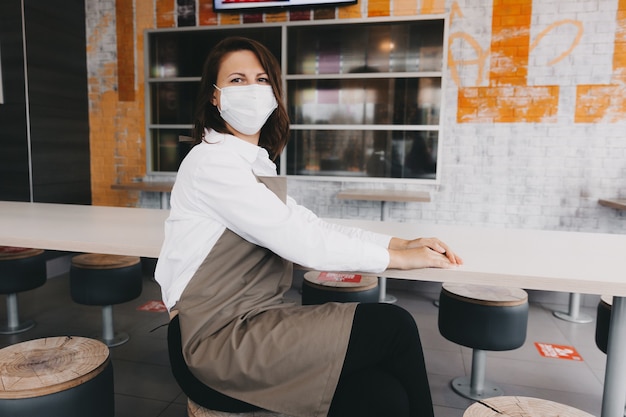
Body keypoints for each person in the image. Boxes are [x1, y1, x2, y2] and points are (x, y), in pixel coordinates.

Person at [154, 36, 462, 417]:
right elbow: (303, 243)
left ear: (274, 92)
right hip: (213, 342)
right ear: (214, 96)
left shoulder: (254, 164)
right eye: (236, 80)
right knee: (394, 325)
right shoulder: (210, 163)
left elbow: (311, 225)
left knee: (383, 398)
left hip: (255, 323)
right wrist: (399, 261)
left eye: (262, 79)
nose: (251, 89)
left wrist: (401, 242)